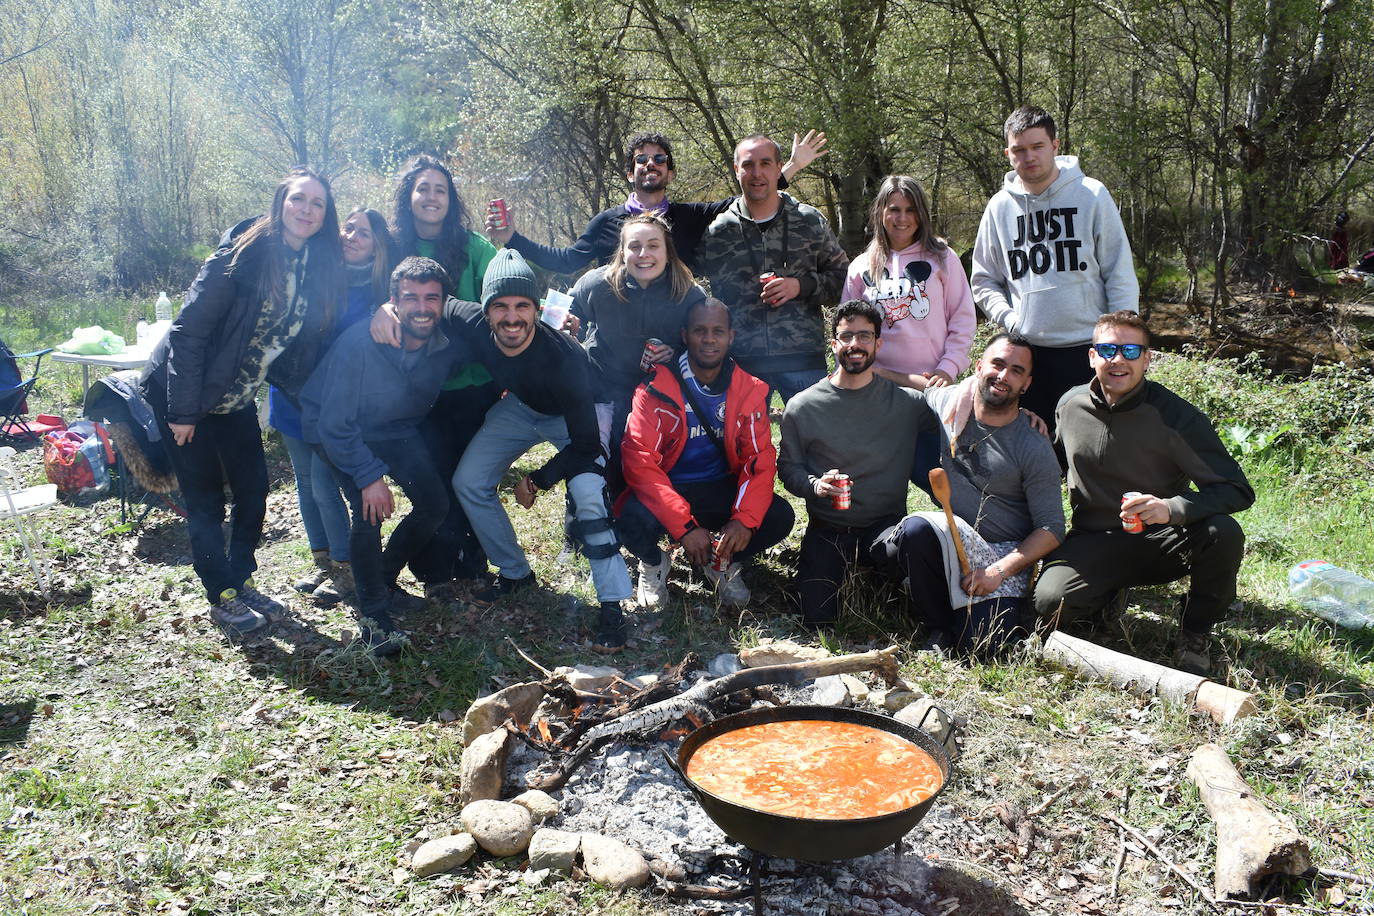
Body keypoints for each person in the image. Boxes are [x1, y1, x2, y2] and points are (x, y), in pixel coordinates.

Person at [139, 167, 344, 635]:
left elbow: (286, 343)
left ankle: (241, 575)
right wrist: (184, 412)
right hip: (185, 395)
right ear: (280, 202)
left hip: (236, 398)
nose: (307, 210)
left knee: (254, 488)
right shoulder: (241, 256)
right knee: (205, 498)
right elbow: (187, 333)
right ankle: (223, 595)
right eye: (299, 199)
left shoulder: (311, 263)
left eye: (317, 203)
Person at [1032, 311, 1254, 675]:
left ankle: (1196, 629)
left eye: (1131, 350)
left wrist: (1172, 509)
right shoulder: (1069, 406)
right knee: (1049, 604)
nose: (1118, 359)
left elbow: (1236, 490)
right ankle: (1106, 594)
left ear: (1147, 359)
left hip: (1162, 539)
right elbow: (1051, 466)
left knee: (1223, 533)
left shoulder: (1177, 417)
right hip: (1093, 537)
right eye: (1108, 349)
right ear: (1091, 357)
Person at [447, 250, 634, 651]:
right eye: (500, 306)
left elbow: (584, 444)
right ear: (485, 310)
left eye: (522, 306)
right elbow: (440, 301)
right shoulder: (472, 321)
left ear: (537, 309)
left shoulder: (564, 356)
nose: (511, 318)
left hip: (580, 412)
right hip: (521, 407)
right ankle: (515, 573)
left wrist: (538, 479)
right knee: (468, 481)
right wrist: (390, 309)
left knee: (586, 493)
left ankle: (612, 604)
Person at [301, 257, 468, 656]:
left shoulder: (447, 344)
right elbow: (334, 424)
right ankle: (373, 615)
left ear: (444, 302)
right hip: (336, 429)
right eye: (411, 298)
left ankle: (384, 579)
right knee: (368, 509)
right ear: (393, 301)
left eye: (432, 298)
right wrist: (368, 476)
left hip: (395, 429)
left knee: (435, 504)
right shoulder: (360, 343)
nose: (422, 307)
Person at [880, 335, 1064, 651]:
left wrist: (996, 572)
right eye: (998, 364)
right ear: (979, 366)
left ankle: (977, 612)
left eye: (1016, 371)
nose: (1004, 375)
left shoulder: (1032, 444)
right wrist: (876, 369)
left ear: (1026, 384)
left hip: (1004, 553)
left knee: (983, 646)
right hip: (955, 537)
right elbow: (923, 386)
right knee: (913, 531)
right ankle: (937, 628)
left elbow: (1052, 529)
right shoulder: (952, 404)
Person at [971, 105, 1138, 434]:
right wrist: (1011, 321)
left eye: (1037, 147)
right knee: (1034, 448)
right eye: (1019, 150)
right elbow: (983, 279)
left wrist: (1119, 343)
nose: (1029, 157)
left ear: (1055, 146)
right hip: (1029, 353)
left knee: (1093, 446)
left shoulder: (1091, 194)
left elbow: (1118, 271)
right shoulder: (999, 207)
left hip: (1088, 347)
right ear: (1008, 153)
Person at [617, 298, 795, 607]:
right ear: (685, 335)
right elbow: (640, 463)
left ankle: (720, 561)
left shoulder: (749, 390)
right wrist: (684, 528)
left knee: (778, 516)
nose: (709, 339)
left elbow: (759, 462)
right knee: (627, 518)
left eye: (718, 331)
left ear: (731, 337)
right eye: (700, 330)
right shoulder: (654, 388)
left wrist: (744, 520)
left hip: (716, 486)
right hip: (667, 488)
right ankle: (654, 562)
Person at [777, 300, 937, 627]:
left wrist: (1022, 415)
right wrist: (815, 485)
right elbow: (789, 469)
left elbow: (963, 411)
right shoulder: (802, 406)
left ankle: (907, 593)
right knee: (816, 619)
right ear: (834, 343)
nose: (855, 345)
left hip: (886, 528)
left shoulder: (908, 403)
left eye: (864, 336)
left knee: (913, 547)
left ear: (879, 343)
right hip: (828, 530)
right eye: (846, 336)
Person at [271, 207, 395, 607]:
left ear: (378, 248)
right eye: (348, 228)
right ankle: (322, 560)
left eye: (363, 233)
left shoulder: (378, 295)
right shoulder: (315, 273)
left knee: (326, 486)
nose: (351, 236)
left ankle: (346, 568)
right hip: (289, 394)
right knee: (305, 484)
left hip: (330, 405)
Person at [486, 131, 827, 272]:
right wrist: (512, 240)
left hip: (676, 339)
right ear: (629, 173)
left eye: (660, 159)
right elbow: (567, 260)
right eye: (641, 159)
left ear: (671, 173)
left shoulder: (690, 217)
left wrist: (792, 166)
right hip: (620, 341)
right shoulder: (607, 222)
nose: (651, 164)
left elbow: (750, 197)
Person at [392, 155, 501, 597]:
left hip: (474, 383)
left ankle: (473, 564)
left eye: (440, 189)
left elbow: (508, 289)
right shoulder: (393, 244)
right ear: (409, 197)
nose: (431, 197)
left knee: (469, 476)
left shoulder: (474, 246)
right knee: (433, 477)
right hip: (416, 386)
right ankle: (435, 568)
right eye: (423, 188)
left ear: (451, 199)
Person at [845, 174, 976, 490]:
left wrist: (948, 368)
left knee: (934, 476)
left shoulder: (942, 257)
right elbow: (848, 330)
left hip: (931, 389)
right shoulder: (861, 267)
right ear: (880, 212)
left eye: (910, 210)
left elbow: (962, 318)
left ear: (921, 214)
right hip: (877, 389)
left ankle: (955, 534)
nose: (902, 218)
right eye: (894, 209)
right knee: (883, 480)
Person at [698, 134, 849, 404]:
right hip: (743, 364)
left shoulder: (809, 221)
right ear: (736, 170)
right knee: (742, 446)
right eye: (748, 165)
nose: (757, 173)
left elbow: (843, 281)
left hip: (803, 361)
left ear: (780, 168)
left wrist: (800, 286)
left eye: (765, 163)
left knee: (813, 443)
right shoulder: (719, 232)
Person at [569, 212, 706, 460]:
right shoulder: (597, 285)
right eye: (634, 246)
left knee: (650, 463)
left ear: (668, 251)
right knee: (597, 462)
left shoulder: (689, 293)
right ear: (622, 252)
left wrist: (676, 352)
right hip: (603, 390)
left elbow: (705, 347)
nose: (644, 254)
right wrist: (568, 323)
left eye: (653, 246)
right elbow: (564, 313)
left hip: (662, 394)